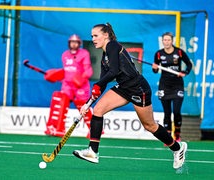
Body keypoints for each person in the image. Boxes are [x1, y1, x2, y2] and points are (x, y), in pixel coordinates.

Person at [72, 23, 187, 170]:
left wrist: (98, 85)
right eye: (92, 36)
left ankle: (177, 148)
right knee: (98, 110)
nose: (93, 39)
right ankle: (92, 151)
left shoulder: (113, 46)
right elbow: (101, 84)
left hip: (138, 88)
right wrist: (87, 104)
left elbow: (113, 72)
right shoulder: (104, 56)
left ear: (106, 35)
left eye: (96, 35)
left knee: (149, 125)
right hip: (124, 88)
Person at [44, 34, 95, 138]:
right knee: (60, 100)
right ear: (69, 43)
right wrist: (55, 76)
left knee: (83, 107)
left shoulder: (84, 53)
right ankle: (58, 128)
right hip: (67, 85)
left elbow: (88, 71)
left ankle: (94, 130)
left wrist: (81, 79)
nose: (74, 44)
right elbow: (66, 72)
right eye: (72, 42)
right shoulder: (65, 55)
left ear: (79, 44)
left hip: (81, 85)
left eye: (76, 42)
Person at [152, 32, 192, 143]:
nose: (166, 42)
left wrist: (185, 72)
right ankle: (168, 137)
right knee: (167, 113)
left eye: (168, 40)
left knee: (177, 111)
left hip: (177, 85)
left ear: (172, 41)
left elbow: (189, 64)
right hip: (164, 85)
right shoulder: (159, 54)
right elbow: (155, 71)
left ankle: (177, 134)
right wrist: (155, 67)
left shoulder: (179, 52)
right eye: (164, 40)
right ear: (162, 41)